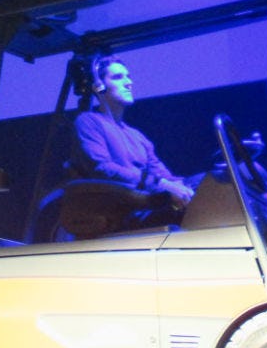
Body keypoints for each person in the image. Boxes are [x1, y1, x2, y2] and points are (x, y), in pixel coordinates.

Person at [63, 55, 196, 233]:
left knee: (210, 182)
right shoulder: (88, 122)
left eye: (128, 77)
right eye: (118, 77)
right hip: (125, 212)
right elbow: (102, 169)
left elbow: (161, 174)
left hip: (150, 203)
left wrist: (185, 187)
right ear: (99, 87)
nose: (128, 82)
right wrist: (159, 184)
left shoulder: (136, 135)